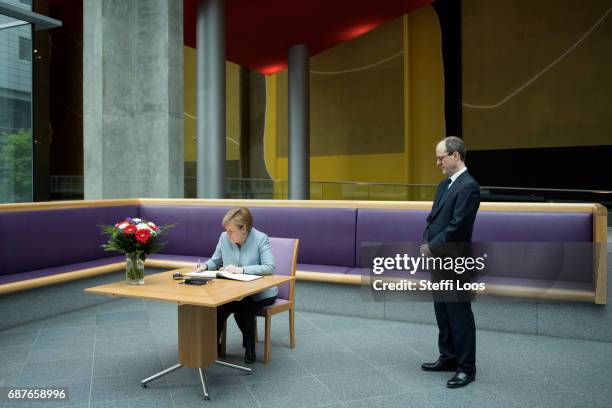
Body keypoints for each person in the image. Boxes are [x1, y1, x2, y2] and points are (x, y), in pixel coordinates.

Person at [419, 136, 480, 388]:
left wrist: (431, 246)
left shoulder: (469, 186)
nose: (438, 162)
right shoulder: (444, 185)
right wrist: (427, 241)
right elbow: (433, 219)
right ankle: (448, 357)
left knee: (459, 315)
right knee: (443, 311)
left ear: (455, 156)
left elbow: (458, 227)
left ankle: (466, 368)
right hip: (438, 259)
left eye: (441, 157)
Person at [200, 207, 276, 364]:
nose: (228, 234)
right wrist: (205, 266)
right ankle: (215, 345)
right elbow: (216, 261)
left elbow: (270, 267)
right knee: (217, 308)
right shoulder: (224, 237)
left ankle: (250, 347)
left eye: (231, 231)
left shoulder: (261, 238)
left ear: (244, 228)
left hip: (260, 293)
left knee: (243, 311)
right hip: (233, 292)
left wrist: (241, 270)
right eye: (226, 230)